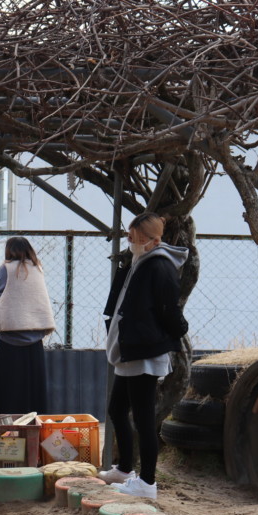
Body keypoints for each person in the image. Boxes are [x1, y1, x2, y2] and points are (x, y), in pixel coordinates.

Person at [99, 212, 189, 499]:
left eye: (135, 238)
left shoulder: (159, 266)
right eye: (129, 236)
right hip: (130, 350)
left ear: (153, 240)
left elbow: (169, 309)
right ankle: (125, 469)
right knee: (117, 410)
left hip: (144, 352)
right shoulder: (139, 261)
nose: (130, 242)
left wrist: (179, 330)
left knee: (143, 419)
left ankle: (147, 483)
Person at [0, 237, 55, 414]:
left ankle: (7, 420)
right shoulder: (37, 268)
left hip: (10, 337)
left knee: (9, 387)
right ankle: (35, 420)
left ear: (9, 250)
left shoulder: (6, 268)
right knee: (34, 387)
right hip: (35, 338)